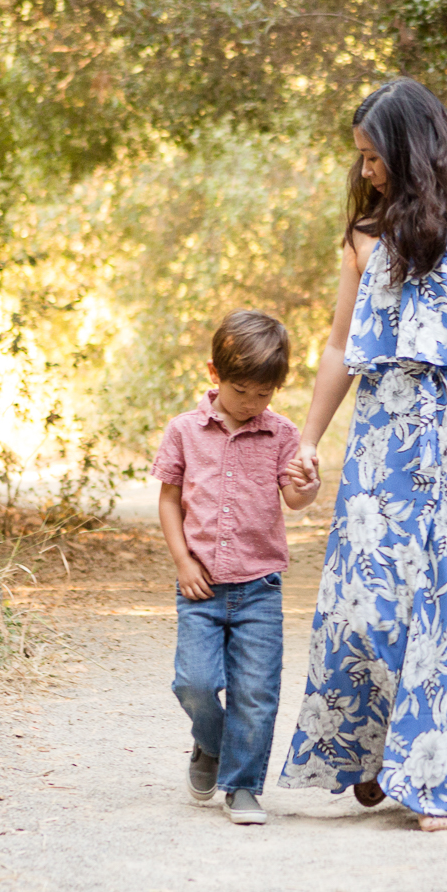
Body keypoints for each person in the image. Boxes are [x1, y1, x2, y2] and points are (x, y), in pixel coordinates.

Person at [276, 77, 447, 831]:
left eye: (372, 155)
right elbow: (339, 347)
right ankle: (375, 753)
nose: (365, 171)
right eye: (360, 157)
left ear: (409, 149)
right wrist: (308, 437)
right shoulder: (366, 239)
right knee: (368, 601)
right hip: (381, 444)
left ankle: (439, 783)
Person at [151, 310, 321, 826]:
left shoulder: (282, 433)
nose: (252, 404)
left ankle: (243, 786)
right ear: (214, 374)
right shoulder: (184, 431)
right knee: (194, 682)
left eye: (264, 395)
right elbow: (169, 499)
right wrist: (182, 562)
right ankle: (210, 742)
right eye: (242, 391)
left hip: (259, 588)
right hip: (200, 587)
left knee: (257, 692)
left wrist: (308, 484)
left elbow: (295, 498)